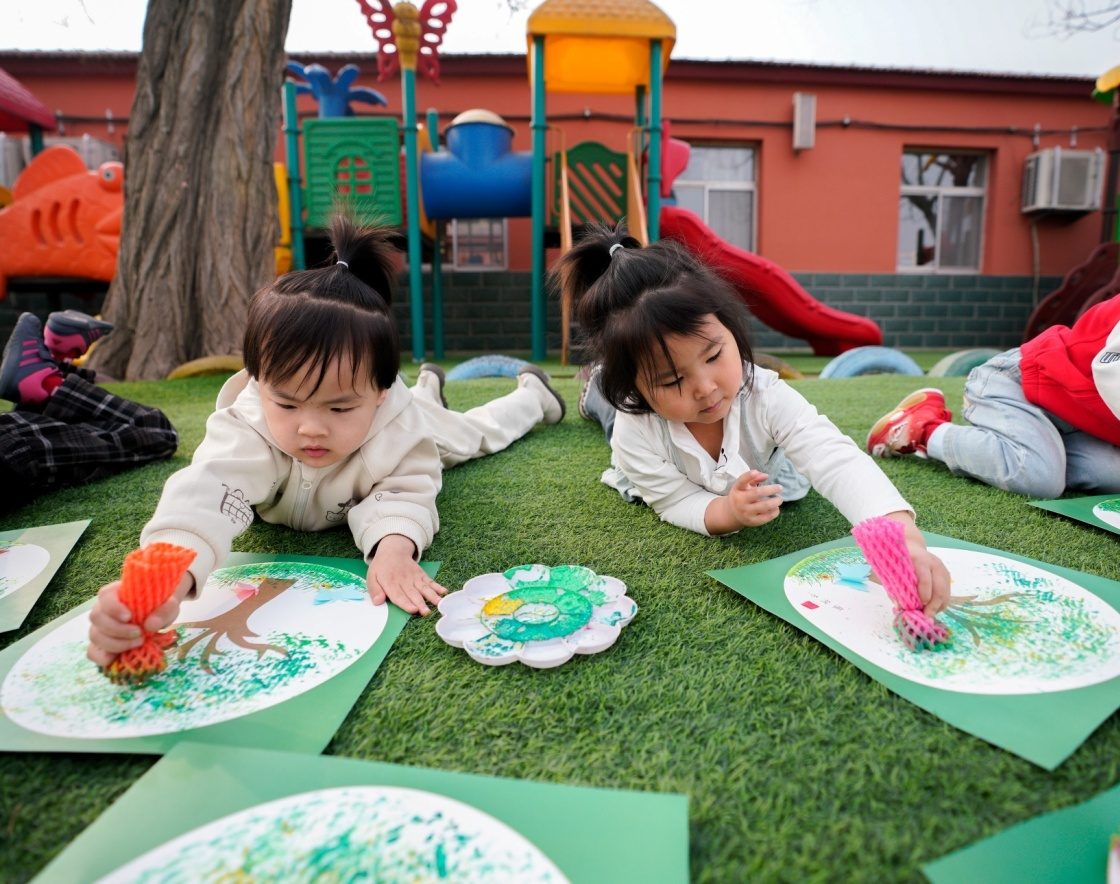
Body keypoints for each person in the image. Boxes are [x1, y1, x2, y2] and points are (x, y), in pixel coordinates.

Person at [87, 215, 565, 670]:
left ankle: (530, 397)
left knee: (470, 435)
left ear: (380, 393)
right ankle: (428, 388)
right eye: (288, 405)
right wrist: (167, 575)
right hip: (377, 405)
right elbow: (207, 488)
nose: (310, 429)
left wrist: (394, 547)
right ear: (258, 382)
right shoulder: (247, 425)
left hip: (417, 424)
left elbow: (406, 487)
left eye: (338, 409)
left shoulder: (396, 428)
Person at [555, 223, 950, 612]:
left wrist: (904, 538)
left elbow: (831, 455)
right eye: (674, 379)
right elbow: (674, 501)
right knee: (613, 425)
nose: (706, 388)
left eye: (713, 356)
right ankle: (597, 392)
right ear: (639, 389)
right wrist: (726, 512)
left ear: (730, 328)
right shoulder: (635, 429)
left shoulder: (762, 393)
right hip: (640, 438)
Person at [867, 241, 1120, 502]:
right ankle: (923, 430)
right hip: (1024, 381)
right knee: (1037, 479)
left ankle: (1037, 446)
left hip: (1087, 416)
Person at [0, 310, 177, 513]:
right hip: (12, 453)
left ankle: (49, 382)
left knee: (158, 434)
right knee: (156, 432)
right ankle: (55, 361)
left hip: (10, 454)